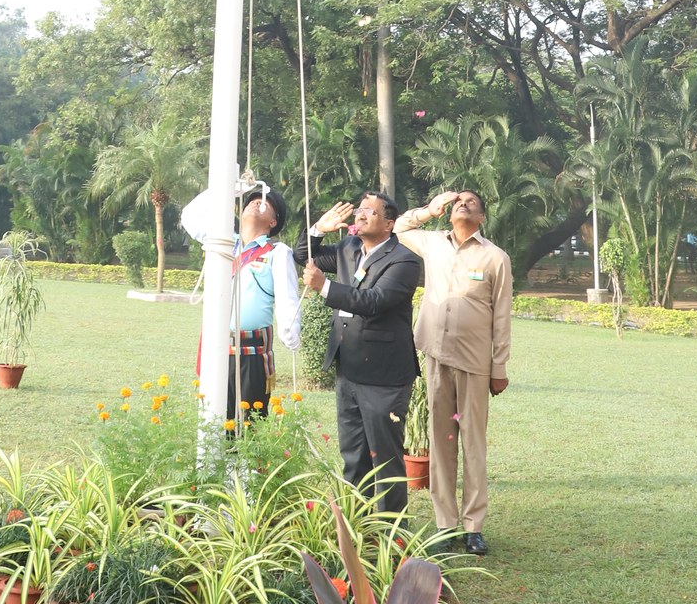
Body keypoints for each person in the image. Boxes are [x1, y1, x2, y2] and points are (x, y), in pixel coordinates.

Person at [394, 187, 512, 555]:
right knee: (441, 441)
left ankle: (473, 526)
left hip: (475, 362)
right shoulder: (433, 243)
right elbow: (399, 227)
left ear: (482, 217)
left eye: (471, 202)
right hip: (436, 356)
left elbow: (502, 315)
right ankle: (445, 524)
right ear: (449, 212)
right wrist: (429, 210)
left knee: (473, 443)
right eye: (459, 201)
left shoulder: (495, 258)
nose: (463, 203)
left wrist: (499, 366)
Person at [298, 191, 422, 517]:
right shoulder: (349, 248)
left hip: (384, 376)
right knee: (353, 455)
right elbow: (303, 255)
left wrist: (324, 287)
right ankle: (357, 523)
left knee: (386, 459)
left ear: (389, 223)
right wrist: (318, 230)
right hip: (349, 370)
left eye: (371, 211)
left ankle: (391, 530)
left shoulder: (404, 261)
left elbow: (375, 302)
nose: (361, 214)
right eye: (360, 210)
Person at [180, 182, 301, 426]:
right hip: (216, 345)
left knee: (249, 424)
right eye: (252, 200)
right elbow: (189, 217)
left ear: (273, 221)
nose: (257, 203)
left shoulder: (277, 252)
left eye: (265, 203)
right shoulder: (222, 242)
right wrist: (229, 188)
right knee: (214, 421)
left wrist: (290, 330)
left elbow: (287, 296)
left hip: (251, 350)